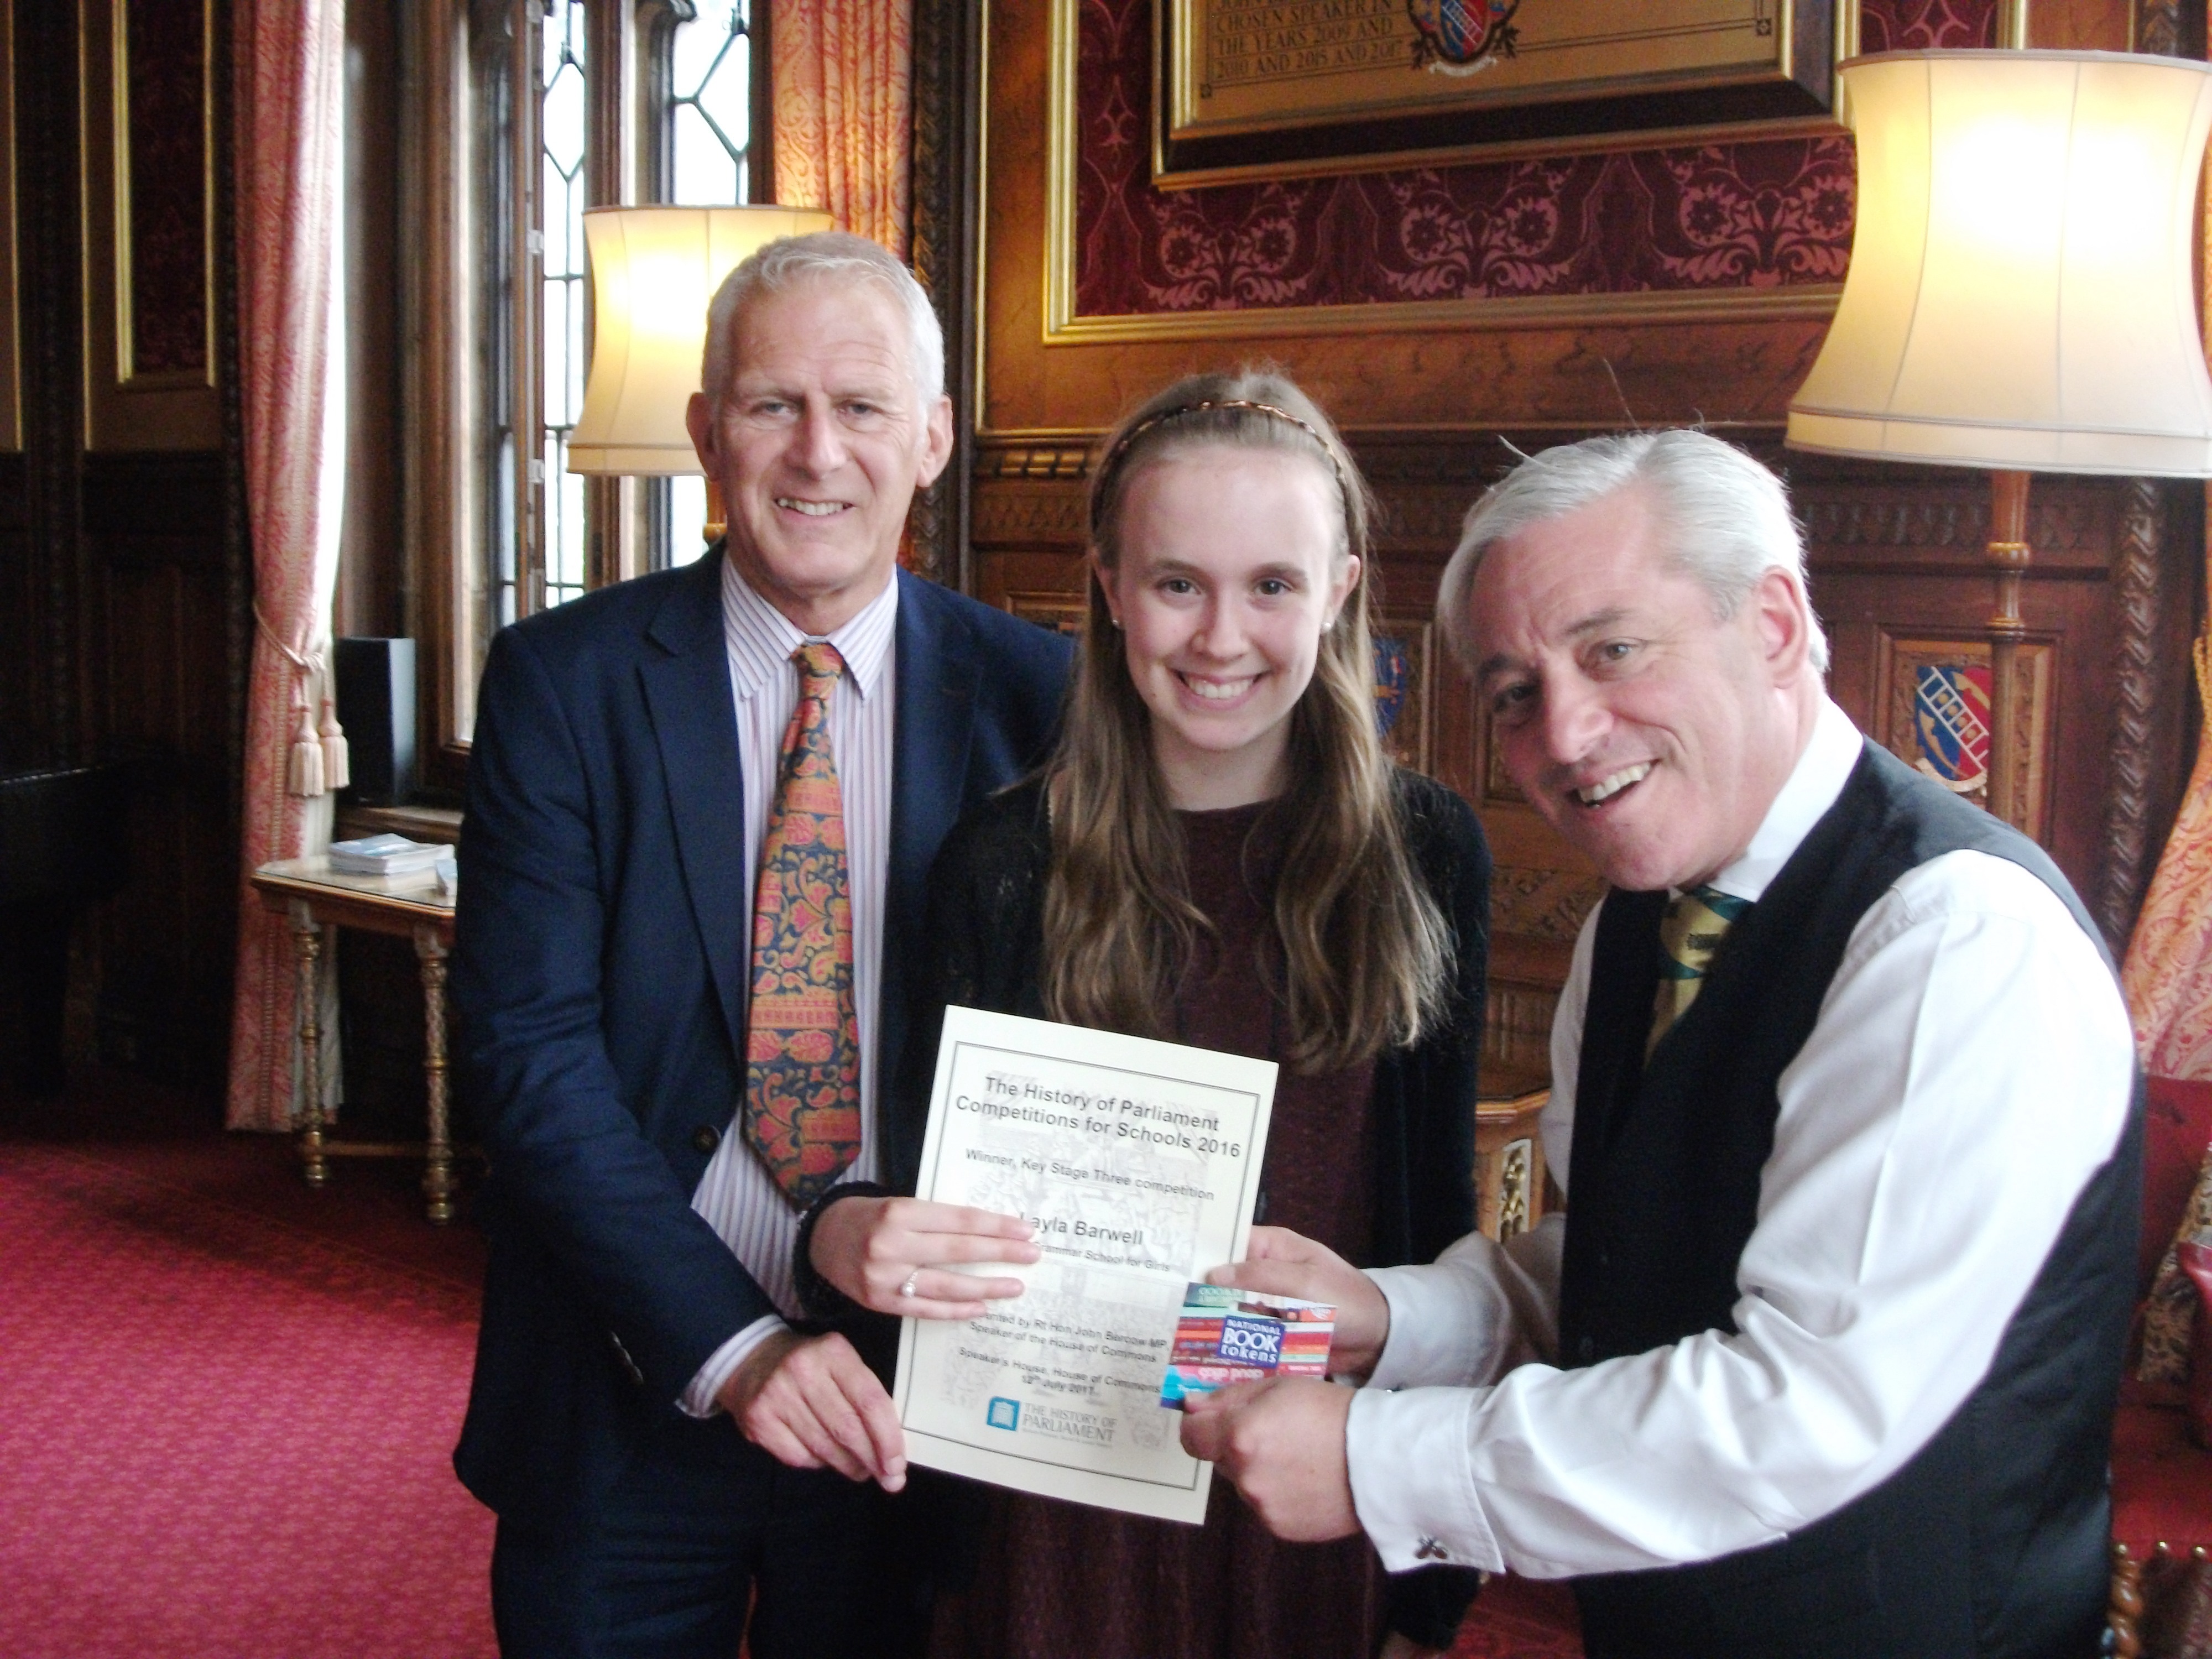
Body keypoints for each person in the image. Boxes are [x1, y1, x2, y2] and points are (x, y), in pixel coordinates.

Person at [1181, 429, 2142, 1659]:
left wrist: (1378, 1460)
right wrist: (1387, 1316)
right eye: (1514, 692)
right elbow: (1623, 1262)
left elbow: (1799, 1409)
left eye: (1613, 650)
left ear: (1774, 625)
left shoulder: (1955, 939)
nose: (1565, 733)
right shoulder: (1640, 919)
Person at [795, 369, 1495, 1659]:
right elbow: (913, 1191)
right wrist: (838, 1239)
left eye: (1271, 585)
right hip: (1047, 1504)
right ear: (1111, 589)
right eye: (1177, 583)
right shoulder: (1003, 863)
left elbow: (1432, 1217)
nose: (1220, 637)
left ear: (1340, 589)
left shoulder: (1425, 851)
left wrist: (1427, 1587)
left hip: (1301, 1481)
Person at [448, 231, 1073, 1659]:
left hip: (913, 1405)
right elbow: (528, 1058)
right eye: (770, 404)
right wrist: (732, 1346)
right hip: (627, 1372)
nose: (816, 453)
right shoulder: (562, 683)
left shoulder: (1045, 703)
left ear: (932, 438)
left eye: (860, 407)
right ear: (704, 432)